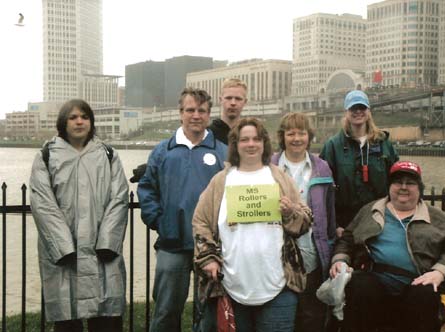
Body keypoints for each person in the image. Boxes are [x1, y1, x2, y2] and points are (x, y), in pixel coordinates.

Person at [192, 117, 312, 332]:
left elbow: (304, 223)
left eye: (257, 139)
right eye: (244, 139)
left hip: (278, 286)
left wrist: (289, 213)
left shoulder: (280, 178)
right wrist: (208, 258)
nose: (251, 144)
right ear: (235, 145)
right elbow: (200, 222)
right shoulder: (220, 181)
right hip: (231, 286)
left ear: (264, 143)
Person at [329, 161, 445, 332]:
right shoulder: (370, 211)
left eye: (410, 183)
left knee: (425, 294)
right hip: (374, 283)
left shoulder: (437, 217)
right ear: (389, 186)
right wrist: (340, 260)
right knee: (360, 285)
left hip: (416, 285)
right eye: (397, 182)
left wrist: (439, 272)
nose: (403, 187)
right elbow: (347, 239)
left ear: (419, 188)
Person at [30, 99, 129, 332]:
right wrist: (64, 247)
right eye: (73, 117)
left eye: (84, 117)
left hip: (102, 253)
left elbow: (119, 198)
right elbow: (43, 204)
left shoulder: (108, 154)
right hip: (65, 257)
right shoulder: (46, 156)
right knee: (67, 320)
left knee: (106, 319)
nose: (79, 121)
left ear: (91, 122)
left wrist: (107, 242)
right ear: (63, 122)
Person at [138, 88, 227, 332]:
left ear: (209, 115)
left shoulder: (221, 152)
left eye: (201, 111)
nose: (195, 115)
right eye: (190, 110)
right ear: (180, 113)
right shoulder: (163, 151)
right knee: (166, 311)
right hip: (172, 244)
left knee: (208, 315)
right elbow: (147, 188)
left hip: (210, 248)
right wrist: (160, 220)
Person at [271, 112, 336, 332]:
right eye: (291, 133)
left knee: (311, 316)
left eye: (302, 133)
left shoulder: (322, 168)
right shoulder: (269, 166)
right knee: (281, 315)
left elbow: (329, 212)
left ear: (309, 136)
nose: (296, 138)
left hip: (311, 254)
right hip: (276, 256)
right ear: (282, 137)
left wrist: (329, 246)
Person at [320, 90, 399, 238]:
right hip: (345, 226)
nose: (358, 112)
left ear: (368, 111)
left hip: (380, 222)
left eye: (362, 108)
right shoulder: (333, 146)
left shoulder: (383, 143)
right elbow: (323, 189)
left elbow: (396, 181)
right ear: (346, 112)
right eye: (353, 108)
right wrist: (334, 225)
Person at [208, 78, 248, 144]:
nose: (233, 103)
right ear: (221, 100)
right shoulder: (207, 134)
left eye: (238, 99)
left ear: (245, 102)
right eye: (228, 98)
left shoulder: (250, 135)